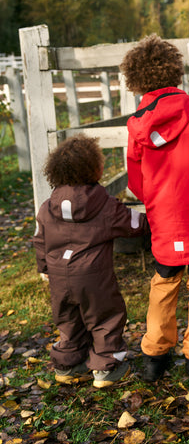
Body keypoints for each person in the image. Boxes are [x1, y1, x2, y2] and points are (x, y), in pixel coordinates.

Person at [120, 34, 189, 382]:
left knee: (164, 281)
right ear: (174, 70)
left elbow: (136, 181)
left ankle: (155, 354)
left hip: (163, 218)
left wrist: (157, 200)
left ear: (135, 78)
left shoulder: (138, 125)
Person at [33, 134, 148, 388]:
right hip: (94, 277)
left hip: (59, 278)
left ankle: (68, 366)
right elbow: (135, 224)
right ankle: (107, 368)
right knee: (105, 318)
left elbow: (40, 241)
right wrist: (149, 220)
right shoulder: (105, 205)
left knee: (69, 320)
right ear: (94, 168)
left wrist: (45, 268)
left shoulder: (46, 207)